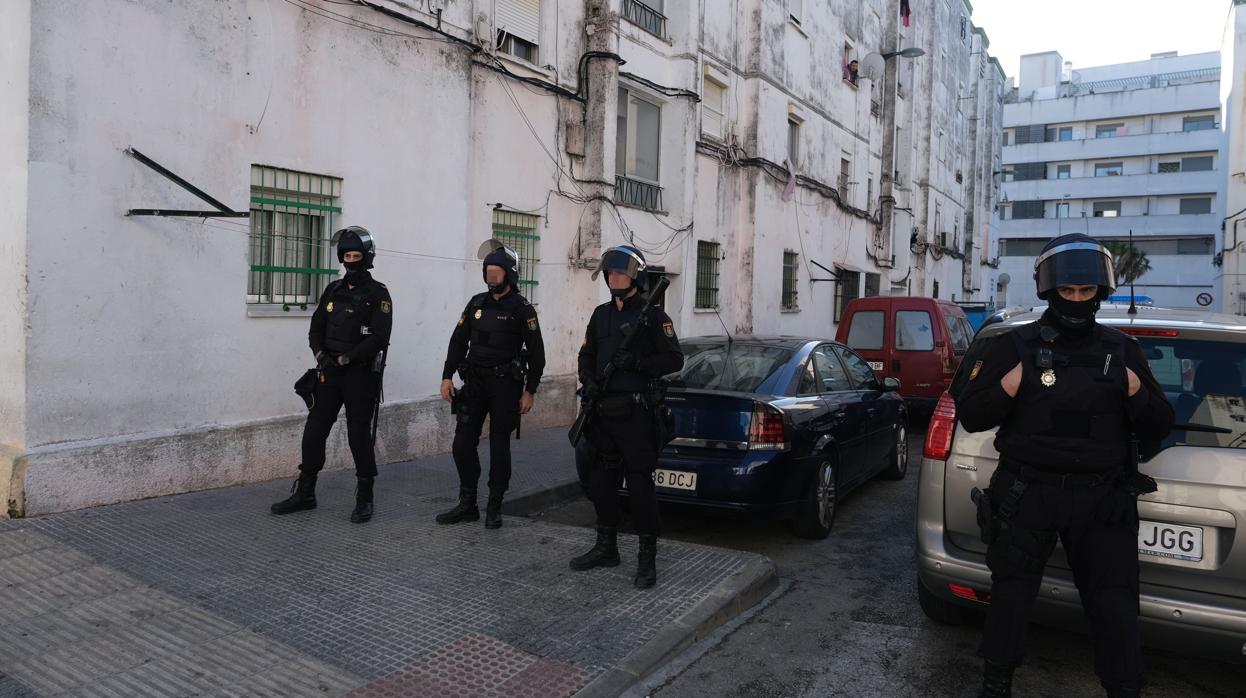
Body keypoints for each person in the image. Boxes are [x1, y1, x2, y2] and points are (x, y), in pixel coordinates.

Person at [956, 233, 1174, 698]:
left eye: (1086, 291)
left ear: (1100, 292)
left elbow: (1160, 425)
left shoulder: (1123, 349)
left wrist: (1136, 390)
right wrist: (1009, 386)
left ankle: (1124, 688)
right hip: (1026, 493)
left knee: (1114, 604)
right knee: (1011, 597)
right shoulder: (1014, 346)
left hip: (1101, 497)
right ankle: (996, 684)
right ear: (1050, 292)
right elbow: (972, 415)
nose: (1076, 300)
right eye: (1068, 292)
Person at [569, 245, 683, 589]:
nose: (614, 277)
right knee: (601, 485)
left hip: (635, 415)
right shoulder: (600, 314)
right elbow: (586, 353)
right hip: (602, 412)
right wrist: (588, 380)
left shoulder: (654, 317)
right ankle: (607, 547)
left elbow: (674, 360)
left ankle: (646, 559)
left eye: (620, 273)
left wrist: (637, 363)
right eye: (610, 273)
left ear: (635, 277)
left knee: (639, 488)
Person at [271, 226, 393, 523]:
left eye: (357, 256)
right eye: (347, 256)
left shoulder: (379, 294)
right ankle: (306, 492)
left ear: (367, 258)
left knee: (357, 436)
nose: (351, 261)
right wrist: (321, 355)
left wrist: (348, 357)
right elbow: (316, 329)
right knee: (314, 431)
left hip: (359, 376)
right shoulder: (333, 290)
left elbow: (379, 336)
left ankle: (365, 495)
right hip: (328, 374)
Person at [436, 240, 546, 529]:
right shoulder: (476, 304)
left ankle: (494, 505)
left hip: (505, 387)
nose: (491, 278)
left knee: (499, 447)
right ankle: (467, 503)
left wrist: (530, 391)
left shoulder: (522, 309)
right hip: (474, 384)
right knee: (462, 445)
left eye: (497, 273)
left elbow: (537, 354)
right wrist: (447, 376)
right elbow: (458, 342)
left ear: (509, 275)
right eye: (488, 273)